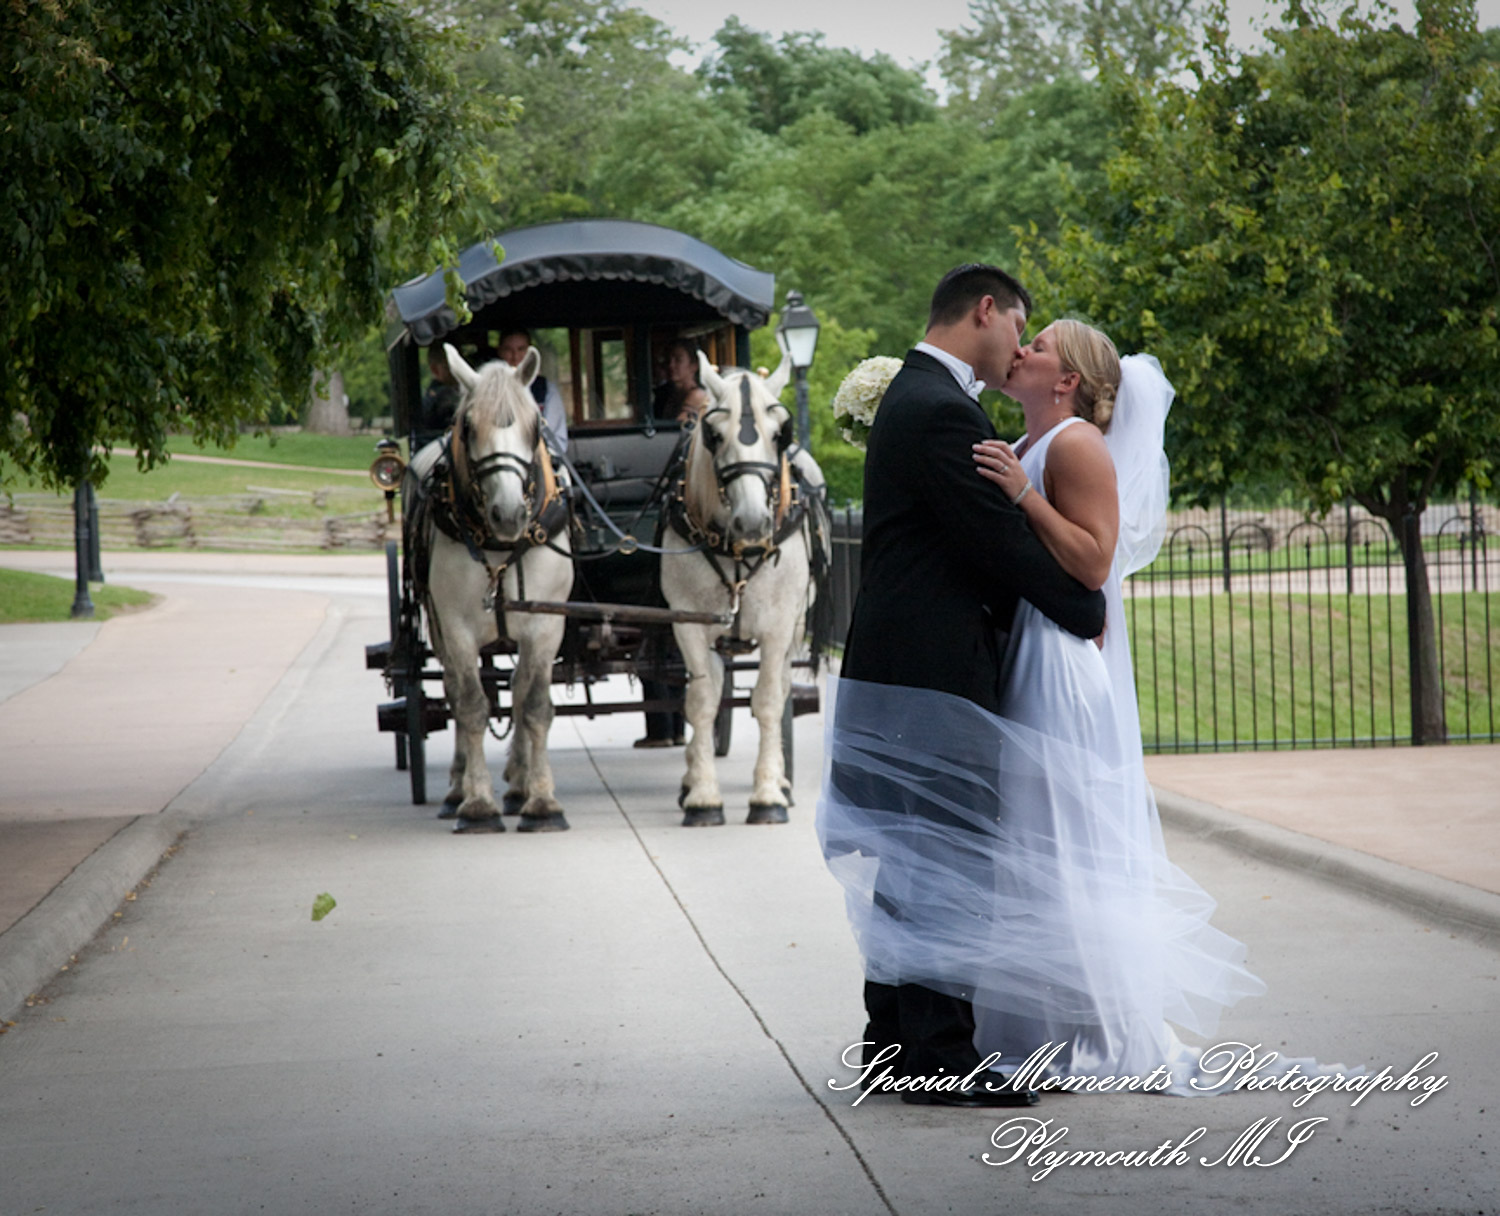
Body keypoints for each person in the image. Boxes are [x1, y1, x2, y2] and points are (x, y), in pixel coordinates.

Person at [817, 265, 1107, 1107]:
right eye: (1018, 325)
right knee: (951, 864)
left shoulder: (916, 397)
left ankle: (892, 1046)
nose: (1021, 344)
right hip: (932, 677)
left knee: (913, 869)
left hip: (902, 669)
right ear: (985, 310)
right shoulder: (941, 409)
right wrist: (1081, 604)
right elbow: (997, 543)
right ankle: (938, 1055)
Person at [960, 320, 1265, 1088]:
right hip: (1030, 646)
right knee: (1032, 836)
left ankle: (1092, 1032)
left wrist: (1024, 495)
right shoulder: (1033, 443)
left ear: (1066, 381)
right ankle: (1037, 1027)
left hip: (1060, 660)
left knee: (1066, 834)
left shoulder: (1071, 447)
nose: (1022, 350)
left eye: (1041, 345)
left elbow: (1094, 561)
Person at [498, 328, 569, 454]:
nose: (515, 357)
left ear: (529, 353)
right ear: (500, 352)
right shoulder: (490, 391)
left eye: (521, 349)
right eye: (508, 350)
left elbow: (557, 443)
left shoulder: (546, 390)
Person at [652, 339, 708, 423]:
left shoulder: (697, 396)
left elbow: (679, 427)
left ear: (694, 365)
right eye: (668, 360)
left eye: (678, 360)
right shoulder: (667, 393)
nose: (671, 365)